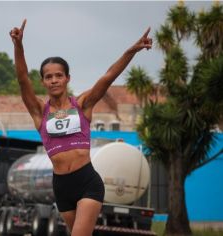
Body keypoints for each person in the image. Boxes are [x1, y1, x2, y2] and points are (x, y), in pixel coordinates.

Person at [9, 19, 152, 236]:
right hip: (61, 186)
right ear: (43, 82)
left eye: (59, 75)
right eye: (49, 77)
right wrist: (18, 45)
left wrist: (132, 50)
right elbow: (22, 80)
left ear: (67, 78)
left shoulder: (82, 104)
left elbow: (109, 76)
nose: (54, 80)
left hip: (87, 182)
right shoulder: (40, 111)